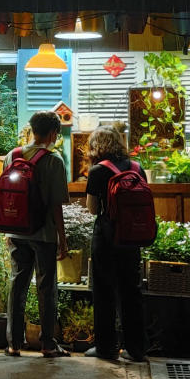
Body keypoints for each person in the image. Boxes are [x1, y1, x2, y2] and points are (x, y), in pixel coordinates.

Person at [4, 111, 70, 358]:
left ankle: (13, 343)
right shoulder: (54, 160)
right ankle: (48, 344)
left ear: (31, 130)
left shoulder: (13, 155)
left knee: (17, 285)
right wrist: (62, 239)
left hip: (16, 231)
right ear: (53, 133)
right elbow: (56, 205)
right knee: (46, 287)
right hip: (43, 234)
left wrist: (7, 229)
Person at [85, 126, 147, 362]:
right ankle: (136, 349)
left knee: (104, 292)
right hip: (132, 236)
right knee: (131, 291)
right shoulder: (136, 167)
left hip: (107, 236)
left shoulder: (98, 171)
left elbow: (92, 209)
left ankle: (106, 347)